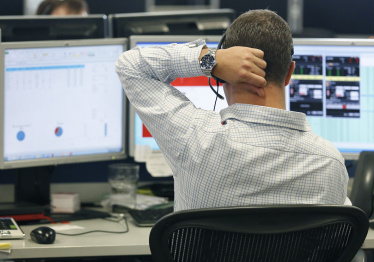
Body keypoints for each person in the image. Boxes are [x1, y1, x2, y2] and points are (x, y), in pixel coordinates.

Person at [116, 9, 349, 211]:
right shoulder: (330, 164)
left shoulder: (193, 139)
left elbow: (130, 65)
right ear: (290, 73)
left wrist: (210, 60)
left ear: (222, 75)